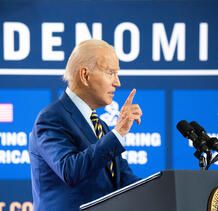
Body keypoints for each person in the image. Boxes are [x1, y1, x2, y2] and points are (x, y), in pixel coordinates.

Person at [29, 39, 142, 211]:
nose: (117, 82)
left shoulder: (101, 126)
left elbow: (125, 183)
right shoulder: (51, 118)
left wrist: (169, 192)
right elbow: (69, 170)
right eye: (111, 73)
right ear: (85, 76)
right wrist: (118, 133)